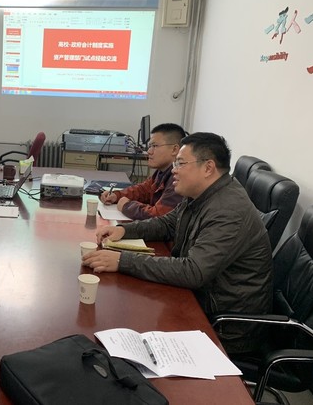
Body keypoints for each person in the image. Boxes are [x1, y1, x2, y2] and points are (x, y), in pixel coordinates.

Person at [85, 132, 273, 354]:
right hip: (200, 300)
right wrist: (124, 230)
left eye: (181, 163)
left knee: (124, 333)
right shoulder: (203, 194)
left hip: (224, 328)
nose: (173, 170)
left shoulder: (229, 210)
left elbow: (194, 271)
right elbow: (168, 223)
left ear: (208, 168)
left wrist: (122, 261)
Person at [100, 123, 185, 220]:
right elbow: (143, 190)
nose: (149, 151)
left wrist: (127, 206)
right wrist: (116, 195)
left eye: (155, 146)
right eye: (150, 146)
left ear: (174, 149)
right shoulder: (162, 172)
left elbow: (159, 217)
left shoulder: (178, 179)